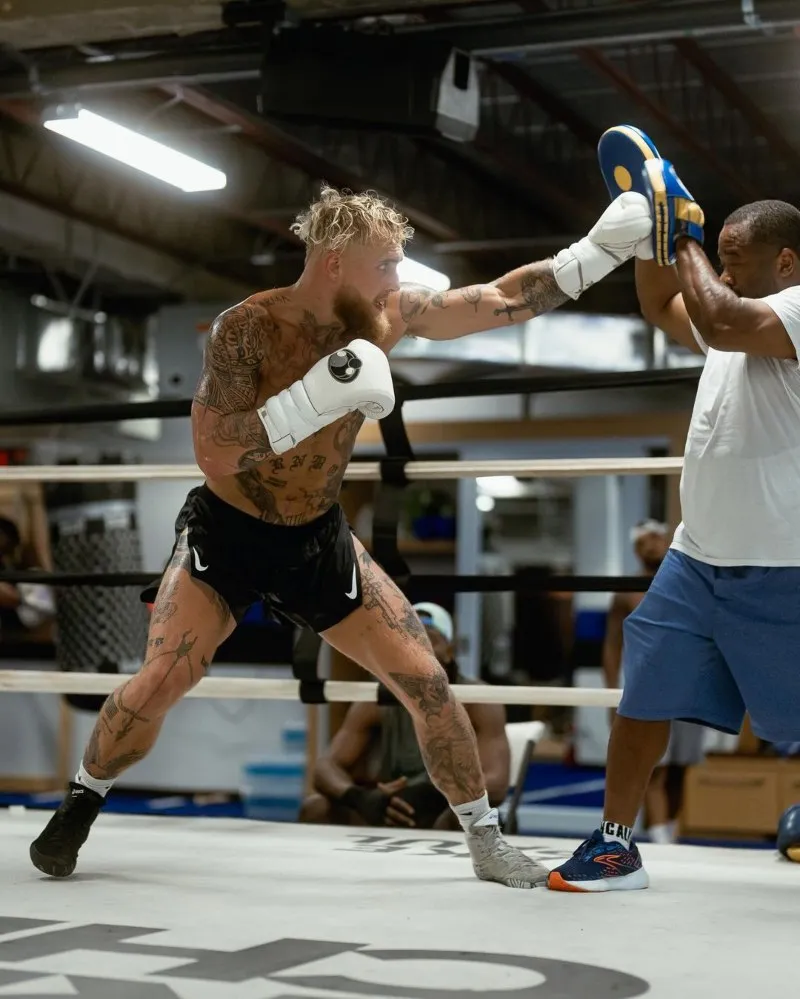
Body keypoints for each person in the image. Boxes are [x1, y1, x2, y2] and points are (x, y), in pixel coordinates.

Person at [29, 182, 651, 888]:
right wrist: (308, 400)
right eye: (384, 262)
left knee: (425, 678)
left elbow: (499, 298)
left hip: (317, 537)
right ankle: (82, 799)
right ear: (333, 260)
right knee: (165, 676)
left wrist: (594, 254)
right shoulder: (248, 326)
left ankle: (484, 841)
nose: (397, 277)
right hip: (227, 532)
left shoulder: (389, 314)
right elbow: (212, 450)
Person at [549, 141, 800, 891]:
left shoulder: (782, 312)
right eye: (716, 257)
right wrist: (660, 235)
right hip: (697, 558)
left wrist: (687, 232)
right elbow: (665, 304)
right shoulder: (737, 314)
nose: (721, 271)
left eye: (735, 258)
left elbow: (718, 316)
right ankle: (615, 842)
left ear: (786, 262)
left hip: (786, 559)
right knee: (643, 691)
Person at [300, 602, 509, 830]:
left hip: (446, 810)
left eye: (428, 639)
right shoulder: (377, 699)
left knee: (475, 820)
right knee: (316, 808)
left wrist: (430, 795)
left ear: (449, 652)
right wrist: (364, 799)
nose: (415, 647)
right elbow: (325, 767)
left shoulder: (478, 701)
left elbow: (497, 783)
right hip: (389, 809)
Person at [602, 520, 705, 845]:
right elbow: (612, 646)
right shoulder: (625, 592)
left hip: (689, 686)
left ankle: (670, 831)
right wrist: (609, 694)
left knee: (682, 768)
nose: (652, 546)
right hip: (648, 687)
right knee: (655, 767)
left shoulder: (688, 584)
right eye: (644, 542)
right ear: (636, 549)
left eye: (657, 539)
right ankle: (661, 839)